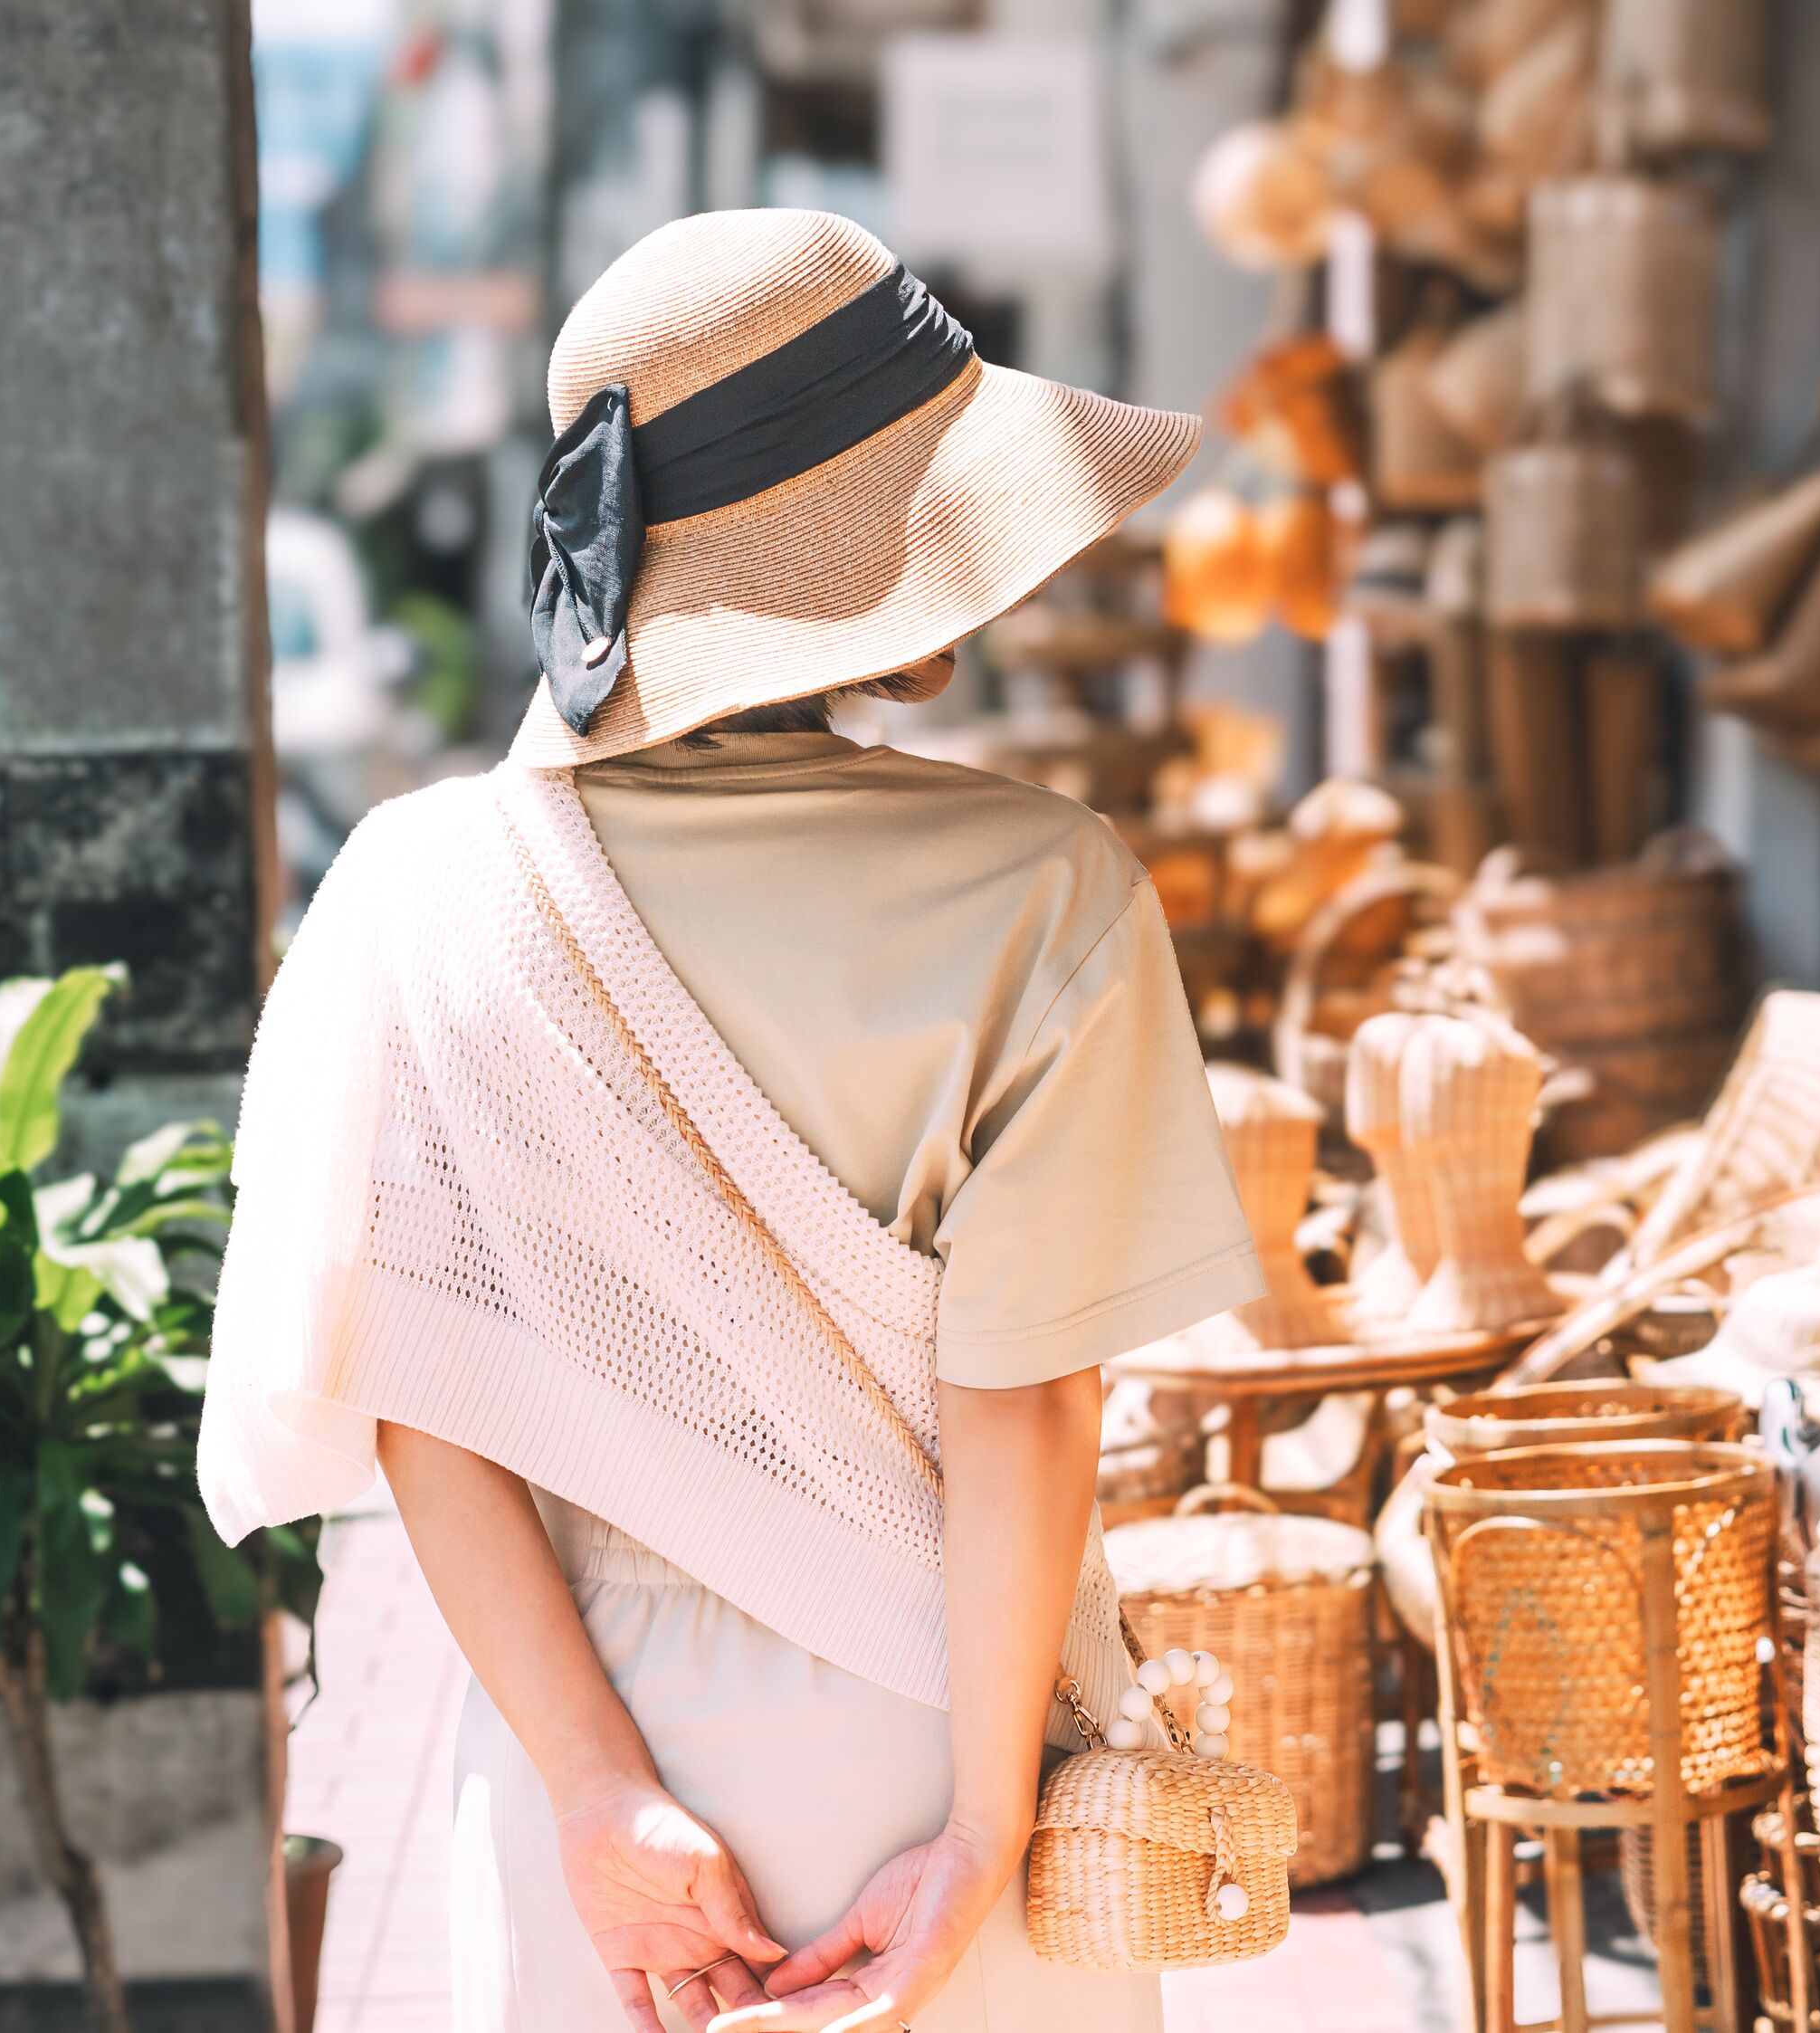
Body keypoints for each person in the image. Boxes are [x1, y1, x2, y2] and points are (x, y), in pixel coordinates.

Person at [199, 208, 1262, 2033]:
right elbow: (1027, 1407)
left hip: (586, 1749)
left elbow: (421, 1389)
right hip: (949, 1719)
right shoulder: (1049, 895)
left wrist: (596, 1784)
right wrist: (985, 1836)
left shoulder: (419, 892)